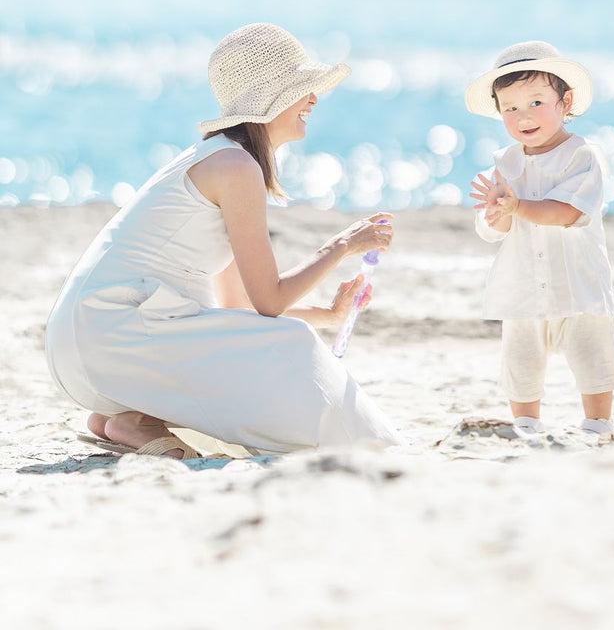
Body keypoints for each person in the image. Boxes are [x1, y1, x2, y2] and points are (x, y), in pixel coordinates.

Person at [45, 23, 399, 459]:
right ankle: (133, 416)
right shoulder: (234, 167)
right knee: (293, 345)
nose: (313, 99)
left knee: (284, 337)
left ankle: (130, 416)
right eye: (302, 88)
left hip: (82, 344)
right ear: (268, 98)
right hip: (109, 337)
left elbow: (238, 304)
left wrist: (327, 313)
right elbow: (268, 303)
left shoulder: (223, 158)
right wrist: (343, 245)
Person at [465, 40, 614, 438]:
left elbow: (567, 212)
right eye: (511, 108)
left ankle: (597, 422)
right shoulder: (506, 162)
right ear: (499, 112)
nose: (524, 116)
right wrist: (498, 214)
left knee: (591, 352)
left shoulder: (582, 156)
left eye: (536, 103)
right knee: (521, 356)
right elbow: (492, 229)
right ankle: (526, 421)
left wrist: (518, 207)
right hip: (522, 282)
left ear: (564, 103)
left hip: (577, 279)